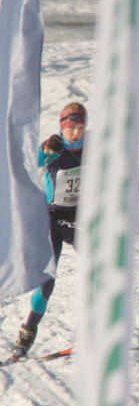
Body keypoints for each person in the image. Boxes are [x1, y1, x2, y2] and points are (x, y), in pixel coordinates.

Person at [12, 103, 86, 359]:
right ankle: (26, 333)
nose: (75, 133)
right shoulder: (54, 146)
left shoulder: (93, 146)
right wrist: (45, 151)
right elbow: (28, 162)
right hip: (52, 222)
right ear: (62, 127)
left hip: (80, 221)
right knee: (47, 281)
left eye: (80, 127)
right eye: (71, 128)